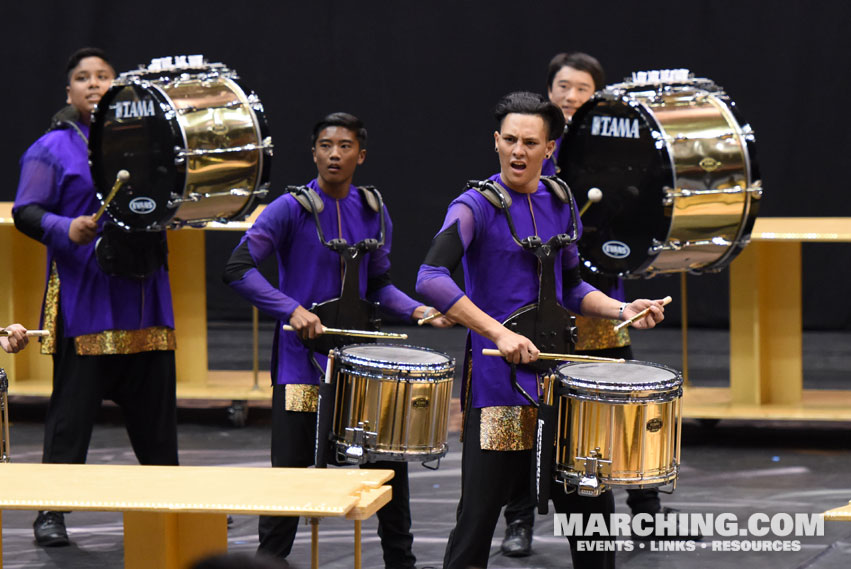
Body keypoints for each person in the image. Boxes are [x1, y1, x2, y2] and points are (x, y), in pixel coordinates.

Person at [416, 91, 666, 569]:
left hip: (562, 385)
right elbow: (430, 277)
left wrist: (622, 308)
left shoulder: (561, 200)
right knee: (477, 523)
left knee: (594, 525)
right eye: (509, 139)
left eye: (530, 142)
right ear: (495, 141)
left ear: (549, 148)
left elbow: (570, 287)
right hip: (499, 389)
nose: (518, 151)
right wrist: (498, 334)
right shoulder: (475, 205)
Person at [223, 112, 449, 568]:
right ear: (313, 153)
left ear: (360, 155)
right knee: (289, 478)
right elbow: (237, 268)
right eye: (325, 145)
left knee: (388, 472)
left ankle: (400, 562)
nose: (334, 154)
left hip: (362, 367)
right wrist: (291, 310)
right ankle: (271, 560)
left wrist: (419, 310)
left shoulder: (373, 209)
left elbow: (379, 284)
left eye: (345, 146)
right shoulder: (291, 207)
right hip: (300, 363)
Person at [499, 51, 673, 557]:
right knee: (526, 420)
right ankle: (520, 522)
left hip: (602, 305)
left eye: (581, 89)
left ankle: (645, 516)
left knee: (624, 412)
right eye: (563, 87)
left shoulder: (620, 154)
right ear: (549, 93)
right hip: (540, 313)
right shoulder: (534, 154)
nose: (571, 96)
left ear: (596, 97)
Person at [13, 47, 178, 548]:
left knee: (156, 413)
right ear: (69, 92)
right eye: (83, 78)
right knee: (72, 414)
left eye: (103, 76)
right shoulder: (52, 148)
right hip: (88, 297)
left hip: (145, 292)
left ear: (119, 86)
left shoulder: (151, 141)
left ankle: (176, 498)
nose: (93, 84)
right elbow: (27, 211)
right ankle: (51, 512)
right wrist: (68, 227)